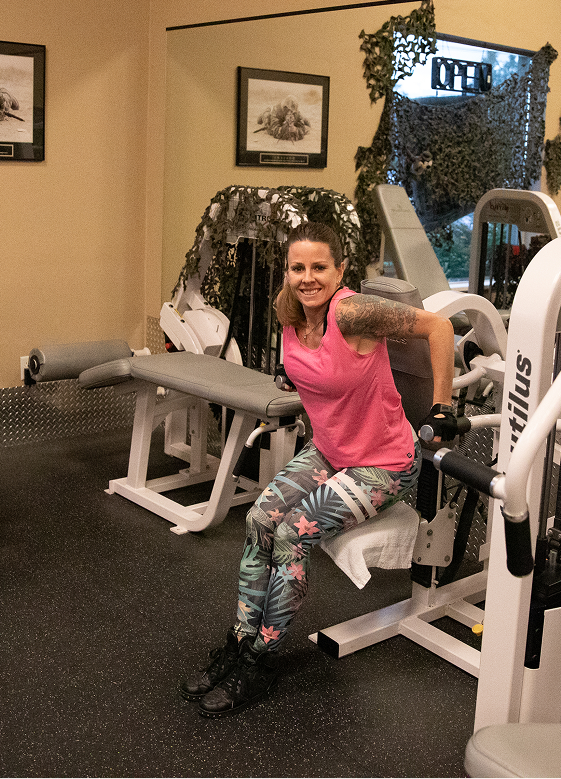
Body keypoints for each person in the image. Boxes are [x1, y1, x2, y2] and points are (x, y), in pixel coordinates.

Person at [180, 221, 459, 718]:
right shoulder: (288, 313)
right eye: (298, 268)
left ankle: (261, 660)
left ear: (340, 270)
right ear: (287, 272)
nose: (308, 278)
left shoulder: (352, 312)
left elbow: (439, 327)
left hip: (383, 463)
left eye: (319, 267)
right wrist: (295, 375)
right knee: (258, 519)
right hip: (330, 451)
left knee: (292, 534)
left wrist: (442, 407)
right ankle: (240, 642)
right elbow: (318, 369)